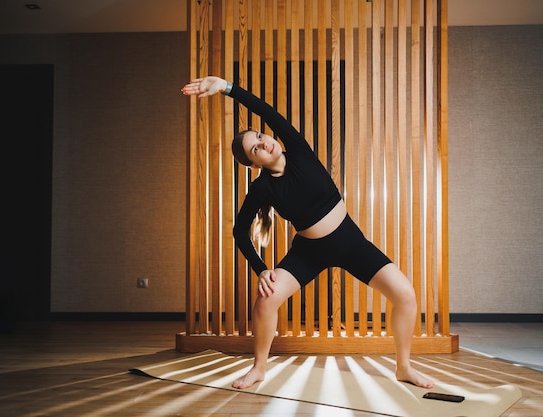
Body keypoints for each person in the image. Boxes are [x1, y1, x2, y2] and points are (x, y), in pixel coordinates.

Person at [181, 76, 434, 390]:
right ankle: (258, 368)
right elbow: (239, 231)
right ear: (252, 163)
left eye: (260, 136)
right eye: (255, 148)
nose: (264, 143)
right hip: (309, 252)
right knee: (265, 301)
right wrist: (261, 270)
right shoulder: (262, 188)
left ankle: (404, 367)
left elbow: (266, 110)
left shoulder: (298, 150)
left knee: (406, 295)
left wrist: (226, 87)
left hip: (350, 243)